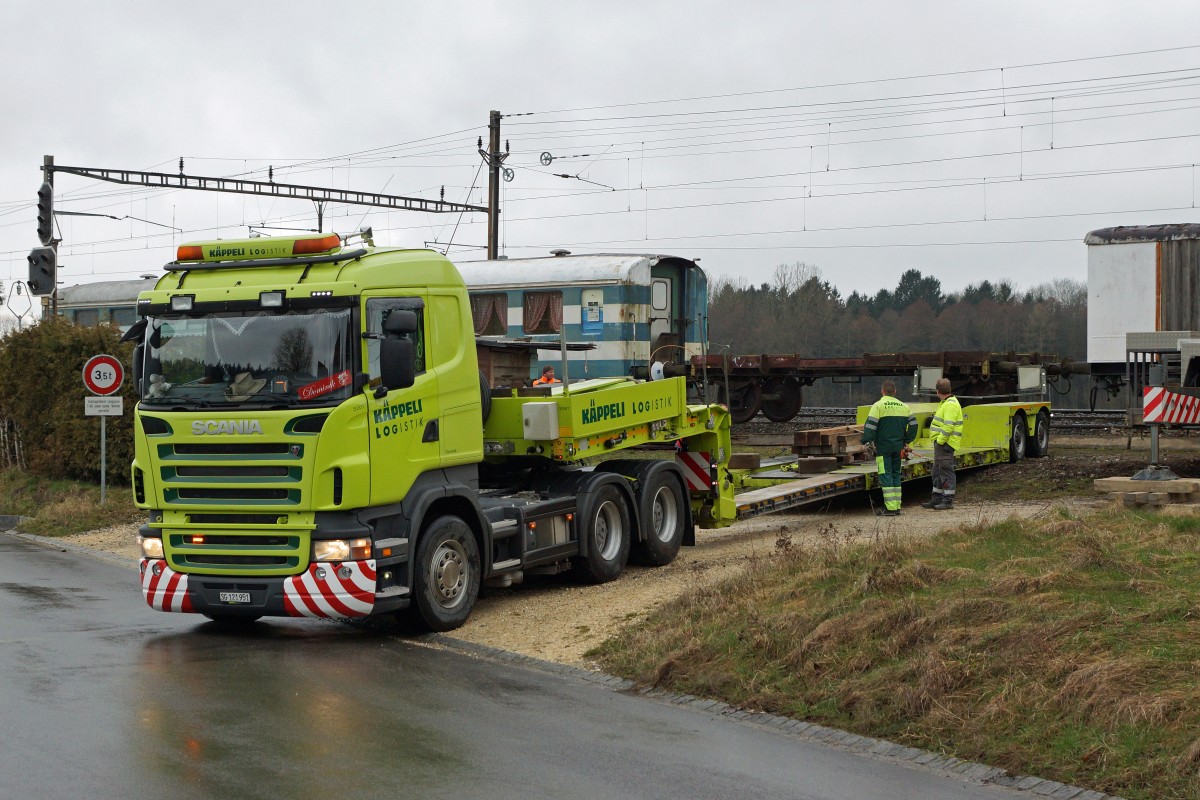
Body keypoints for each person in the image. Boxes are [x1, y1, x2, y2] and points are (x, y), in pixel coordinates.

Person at [861, 380, 917, 516]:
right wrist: (907, 440)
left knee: (885, 475)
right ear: (895, 392)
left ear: (882, 391)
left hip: (883, 448)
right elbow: (914, 425)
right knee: (896, 475)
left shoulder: (878, 406)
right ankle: (896, 506)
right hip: (898, 448)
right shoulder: (904, 406)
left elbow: (870, 427)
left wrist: (865, 440)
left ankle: (890, 508)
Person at [923, 377, 964, 510]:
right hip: (942, 443)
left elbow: (948, 426)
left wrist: (940, 441)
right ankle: (937, 498)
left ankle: (947, 501)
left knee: (946, 470)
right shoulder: (946, 403)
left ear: (937, 391)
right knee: (937, 471)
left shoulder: (950, 404)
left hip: (945, 443)